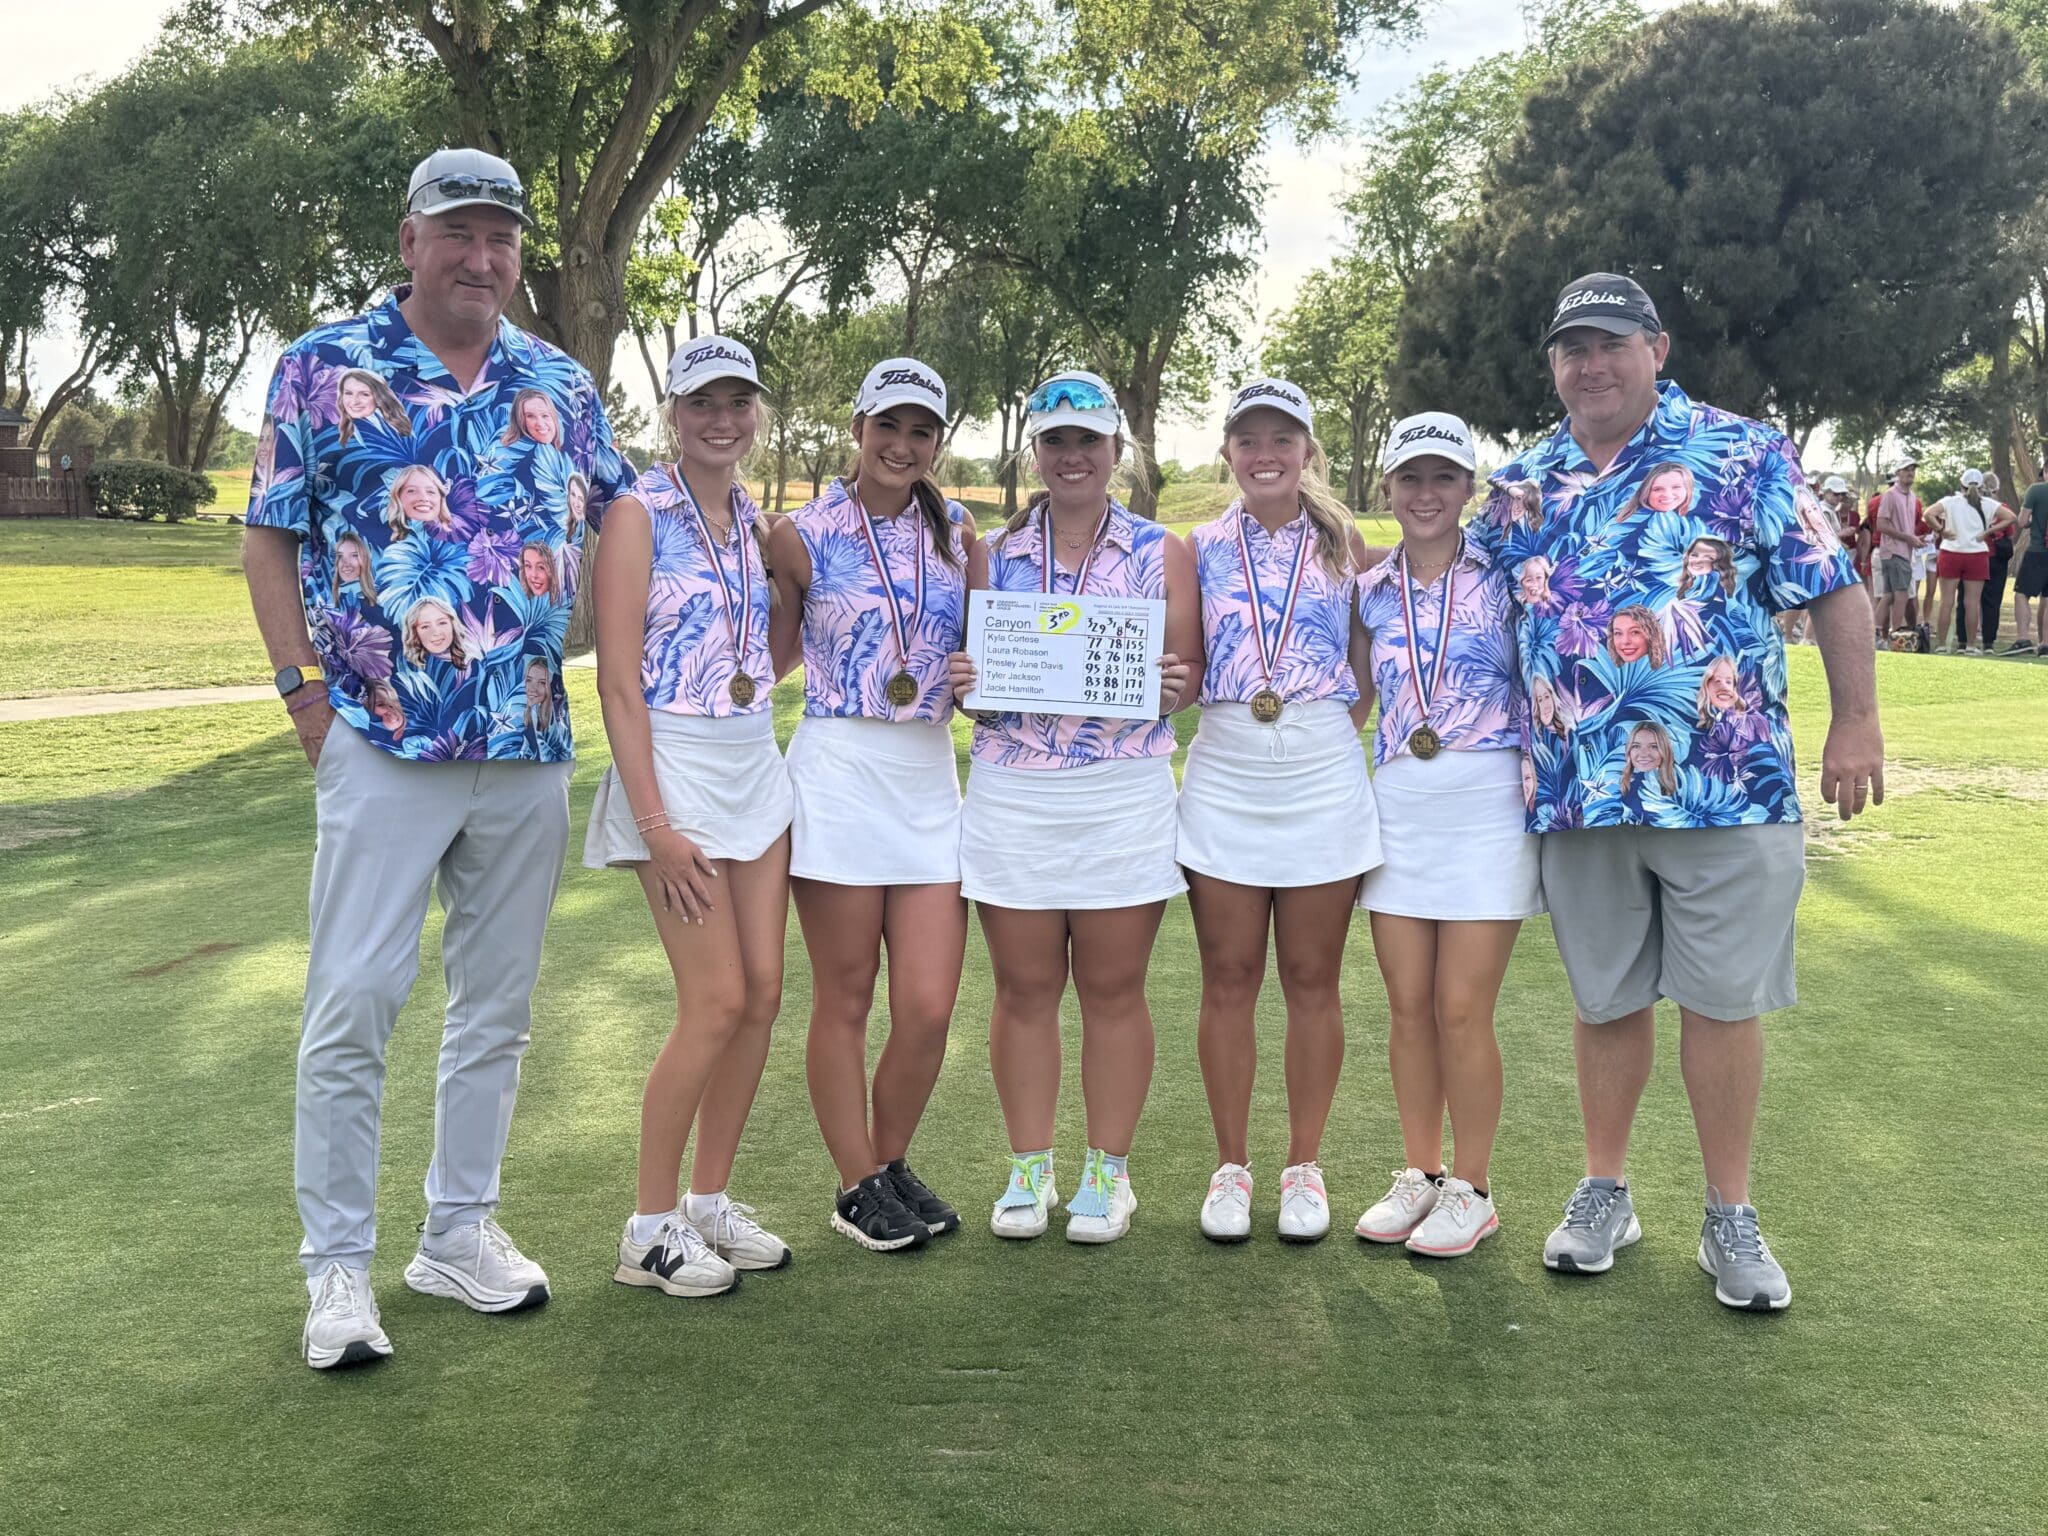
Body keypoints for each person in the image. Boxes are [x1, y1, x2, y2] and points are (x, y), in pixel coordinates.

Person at [243, 147, 633, 1370]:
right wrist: (305, 698)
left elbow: (624, 511)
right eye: (457, 232)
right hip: (378, 736)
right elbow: (268, 535)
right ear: (408, 240)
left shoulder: (559, 383)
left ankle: (457, 1231)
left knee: (497, 1010)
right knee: (354, 1001)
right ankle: (336, 1269)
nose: (481, 256)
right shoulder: (323, 366)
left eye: (500, 237)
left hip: (525, 739)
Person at [1470, 272, 1882, 1312]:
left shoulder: (1741, 452)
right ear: (1552, 365)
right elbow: (1447, 600)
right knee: (1605, 1000)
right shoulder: (1520, 484)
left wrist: (1855, 720)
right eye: (1572, 349)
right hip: (1580, 792)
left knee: (1722, 1003)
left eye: (1611, 343)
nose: (1591, 365)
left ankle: (1728, 1213)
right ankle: (1604, 1190)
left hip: (1725, 786)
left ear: (1656, 348)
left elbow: (1831, 586)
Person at [947, 370, 1202, 1245]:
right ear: (1035, 452)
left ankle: (1108, 1173)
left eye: (1087, 440)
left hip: (1121, 792)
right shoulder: (992, 552)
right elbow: (975, 685)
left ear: (1115, 450)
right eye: (1054, 440)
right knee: (1023, 990)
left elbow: (1186, 675)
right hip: (1015, 791)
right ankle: (1029, 1167)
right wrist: (969, 685)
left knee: (1112, 989)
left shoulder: (1163, 551)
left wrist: (1171, 685)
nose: (1071, 456)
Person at [585, 335, 794, 1298]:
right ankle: (647, 1228)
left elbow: (766, 646)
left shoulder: (752, 517)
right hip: (673, 771)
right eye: (702, 402)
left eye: (738, 402)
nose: (722, 420)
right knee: (712, 1002)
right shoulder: (637, 512)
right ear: (672, 412)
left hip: (753, 764)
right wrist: (655, 823)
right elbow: (618, 683)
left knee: (761, 996)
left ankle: (708, 1203)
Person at [767, 357, 976, 1254]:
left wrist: (983, 679)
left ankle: (887, 1163)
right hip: (840, 770)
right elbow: (771, 655)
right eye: (887, 425)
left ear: (936, 442)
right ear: (857, 429)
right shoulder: (801, 533)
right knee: (847, 996)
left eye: (921, 430)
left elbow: (985, 661)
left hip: (928, 773)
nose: (902, 444)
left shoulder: (960, 532)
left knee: (927, 1004)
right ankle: (856, 1183)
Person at [1175, 378, 1379, 1244]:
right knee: (1228, 977)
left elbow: (1366, 667)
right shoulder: (1195, 547)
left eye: (1282, 439)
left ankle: (1303, 1167)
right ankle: (1231, 1168)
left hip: (1321, 771)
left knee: (1311, 979)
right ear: (1227, 451)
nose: (1265, 455)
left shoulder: (1346, 543)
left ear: (1307, 450)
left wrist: (1319, 732)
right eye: (1249, 439)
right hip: (1226, 766)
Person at [1352, 414, 1542, 1259]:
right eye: (1410, 478)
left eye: (1443, 477)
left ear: (1468, 487)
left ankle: (1473, 1188)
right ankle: (1420, 1174)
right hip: (1400, 802)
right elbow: (1355, 701)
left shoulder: (1508, 576)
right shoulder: (1369, 589)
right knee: (1408, 1007)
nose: (1425, 494)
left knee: (1461, 1008)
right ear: (1387, 486)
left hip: (1487, 801)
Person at [1928, 469, 2014, 655]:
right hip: (1976, 554)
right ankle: (1970, 645)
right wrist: (1988, 532)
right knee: (1972, 603)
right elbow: (2011, 517)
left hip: (1951, 552)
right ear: (1981, 486)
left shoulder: (1950, 502)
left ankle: (1942, 644)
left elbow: (1928, 514)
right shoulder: (1988, 504)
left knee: (1946, 601)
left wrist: (1941, 530)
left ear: (1962, 485)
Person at [1869, 458, 1922, 639]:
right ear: (1898, 473)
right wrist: (1907, 537)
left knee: (1889, 595)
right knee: (1902, 594)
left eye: (1912, 469)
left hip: (1904, 551)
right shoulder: (1890, 495)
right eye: (1906, 469)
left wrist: (1914, 539)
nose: (1910, 473)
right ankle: (1896, 634)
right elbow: (1881, 525)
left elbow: (1906, 527)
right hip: (1894, 551)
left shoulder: (1912, 497)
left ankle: (1874, 631)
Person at [1968, 470, 2017, 652]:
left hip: (1976, 555)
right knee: (1993, 600)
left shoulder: (1972, 506)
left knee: (1972, 599)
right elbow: (2010, 534)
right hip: (1996, 558)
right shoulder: (2001, 507)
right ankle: (1988, 641)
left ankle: (1968, 638)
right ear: (1996, 489)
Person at [2014, 461, 2048, 655]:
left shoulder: (2036, 490)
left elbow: (2021, 521)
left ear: (2045, 471)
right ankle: (2046, 644)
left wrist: (2031, 522)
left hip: (2037, 551)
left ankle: (2023, 639)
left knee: (2021, 594)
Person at [335, 369, 413, 447]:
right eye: (348, 393)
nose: (354, 402)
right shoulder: (339, 431)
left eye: (365, 394)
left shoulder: (398, 430)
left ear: (380, 398)